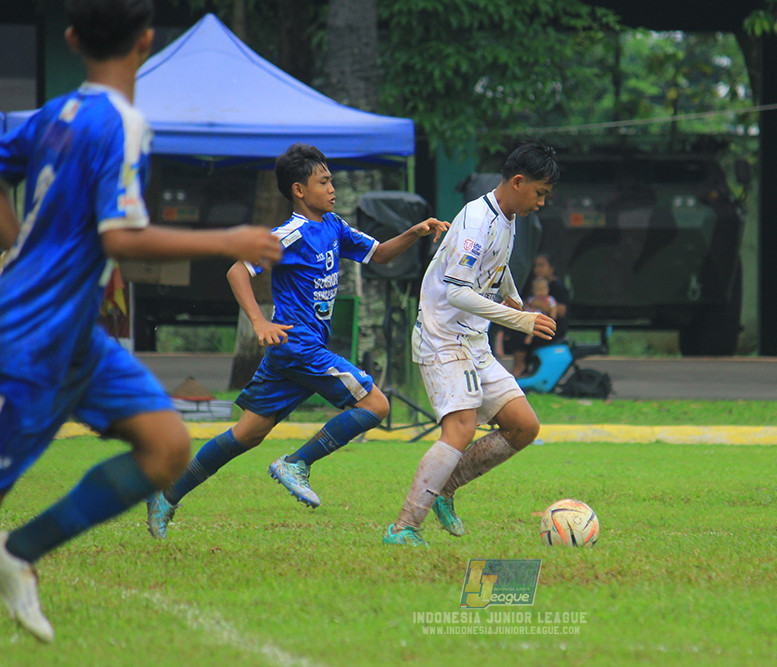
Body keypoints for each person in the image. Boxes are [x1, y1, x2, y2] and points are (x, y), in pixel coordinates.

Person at [0, 0, 282, 643]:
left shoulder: (53, 114)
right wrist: (228, 238)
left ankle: (18, 553)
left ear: (70, 39)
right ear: (148, 42)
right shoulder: (122, 124)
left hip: (75, 337)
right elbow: (122, 238)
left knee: (166, 446)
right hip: (35, 337)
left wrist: (18, 246)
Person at [145, 143, 448, 538]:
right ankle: (296, 463)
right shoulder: (290, 234)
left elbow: (380, 255)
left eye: (331, 181)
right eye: (323, 182)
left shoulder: (334, 226)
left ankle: (166, 495)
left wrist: (414, 232)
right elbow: (238, 271)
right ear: (299, 190)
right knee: (376, 403)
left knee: (247, 433)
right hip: (298, 345)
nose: (332, 189)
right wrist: (258, 322)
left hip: (291, 352)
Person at [384, 140, 559, 546]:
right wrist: (520, 318)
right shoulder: (477, 221)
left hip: (472, 339)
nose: (541, 203)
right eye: (540, 193)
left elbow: (494, 267)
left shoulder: (507, 215)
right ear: (518, 182)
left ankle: (446, 489)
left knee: (524, 426)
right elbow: (459, 292)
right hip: (443, 336)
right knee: (460, 428)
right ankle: (403, 527)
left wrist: (512, 292)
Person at [506, 252, 571, 377]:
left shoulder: (556, 287)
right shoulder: (534, 285)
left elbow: (562, 311)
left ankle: (520, 366)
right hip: (537, 322)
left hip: (552, 326)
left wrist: (541, 305)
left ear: (551, 268)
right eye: (536, 266)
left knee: (519, 334)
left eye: (541, 265)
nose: (537, 269)